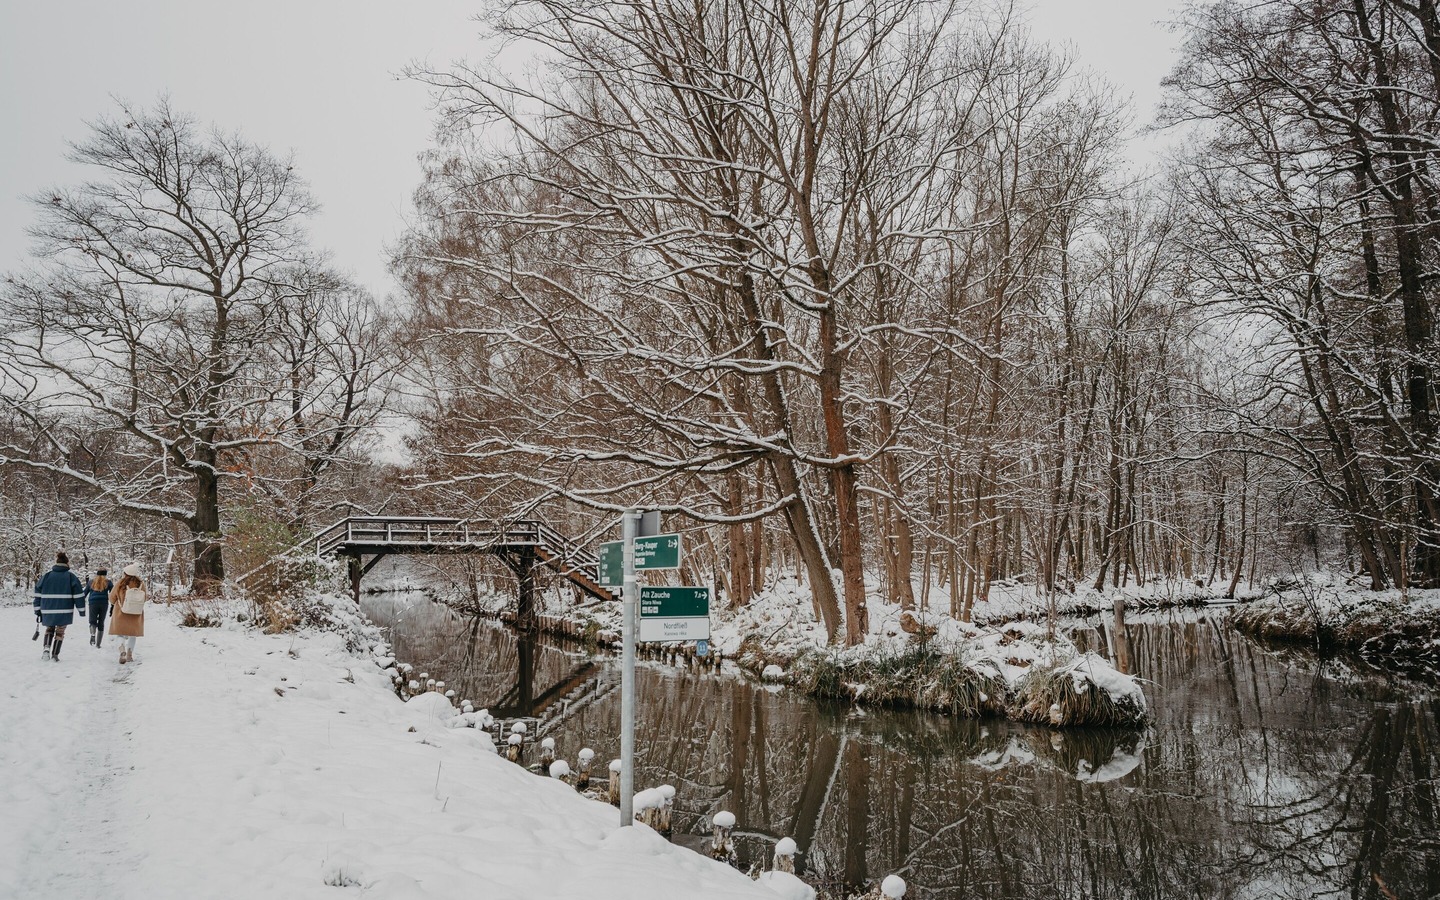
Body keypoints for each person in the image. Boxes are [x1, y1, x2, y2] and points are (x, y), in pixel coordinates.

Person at [33, 551, 86, 662]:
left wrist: (37, 609)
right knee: (60, 631)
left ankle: (46, 650)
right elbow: (78, 595)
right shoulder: (70, 577)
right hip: (64, 609)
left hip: (48, 608)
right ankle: (55, 655)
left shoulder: (46, 576)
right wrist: (81, 610)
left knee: (49, 629)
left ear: (56, 563)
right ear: (67, 563)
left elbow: (37, 592)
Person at [109, 563, 146, 664]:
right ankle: (129, 655)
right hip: (136, 613)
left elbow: (112, 598)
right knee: (132, 635)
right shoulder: (141, 584)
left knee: (120, 634)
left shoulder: (120, 583)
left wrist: (116, 602)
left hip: (121, 612)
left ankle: (122, 652)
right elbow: (145, 598)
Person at [86, 568, 112, 648]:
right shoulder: (108, 582)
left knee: (92, 621)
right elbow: (113, 593)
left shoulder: (91, 582)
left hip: (93, 603)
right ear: (105, 574)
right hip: (103, 603)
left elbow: (84, 592)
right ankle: (98, 644)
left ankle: (93, 634)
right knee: (101, 623)